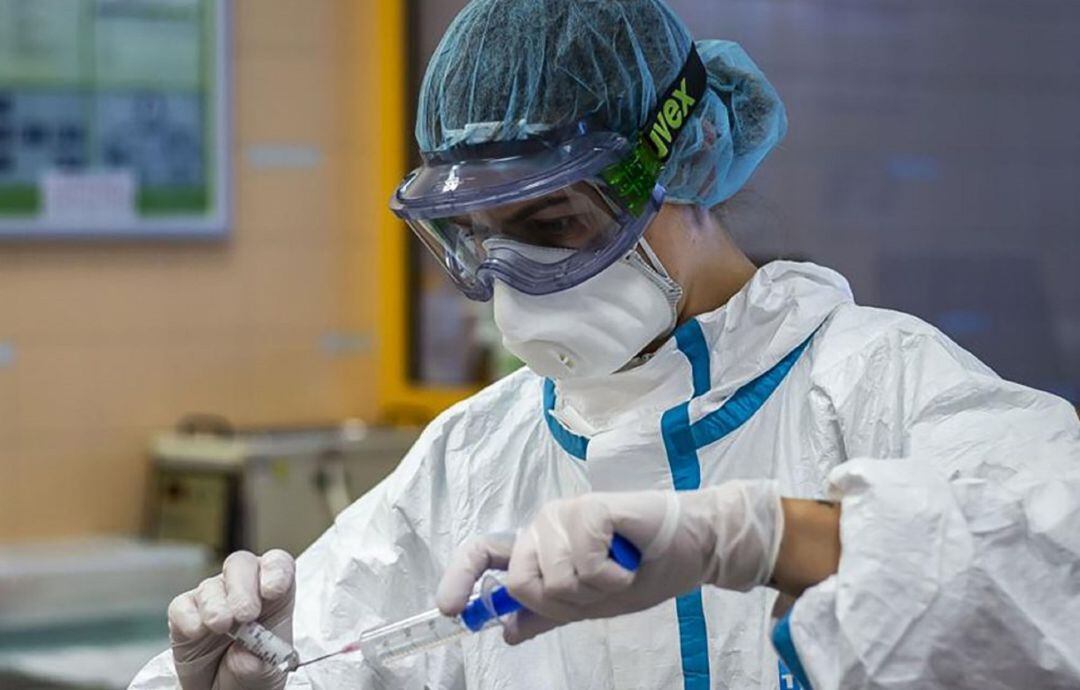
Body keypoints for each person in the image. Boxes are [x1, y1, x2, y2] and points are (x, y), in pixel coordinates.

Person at [131, 0, 1080, 688]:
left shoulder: (873, 384)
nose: (517, 278)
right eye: (479, 238)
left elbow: (1054, 567)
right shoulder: (476, 456)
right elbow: (320, 654)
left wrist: (757, 535)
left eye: (554, 221)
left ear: (688, 159)